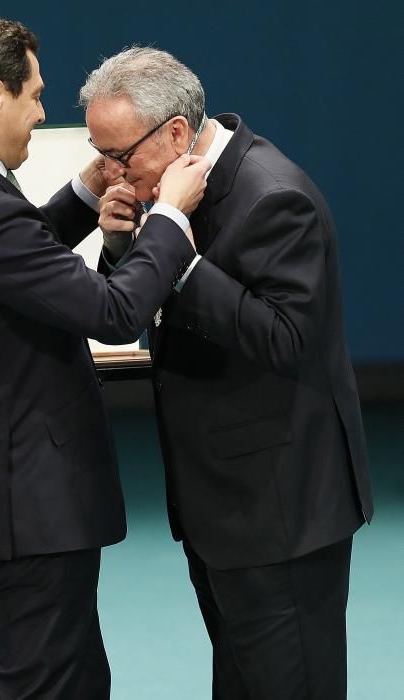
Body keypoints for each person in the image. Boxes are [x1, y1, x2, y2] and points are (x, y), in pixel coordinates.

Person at [0, 15, 209, 700]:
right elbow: (115, 312)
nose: (40, 112)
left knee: (58, 677)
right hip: (31, 505)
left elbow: (8, 261)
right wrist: (173, 217)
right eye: (34, 95)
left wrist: (85, 193)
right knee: (52, 685)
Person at [81, 46, 374, 699]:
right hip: (219, 512)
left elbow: (286, 336)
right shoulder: (165, 194)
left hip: (279, 516)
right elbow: (124, 312)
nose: (109, 173)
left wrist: (179, 263)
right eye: (101, 156)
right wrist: (124, 245)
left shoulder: (274, 197)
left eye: (119, 156)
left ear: (177, 133)